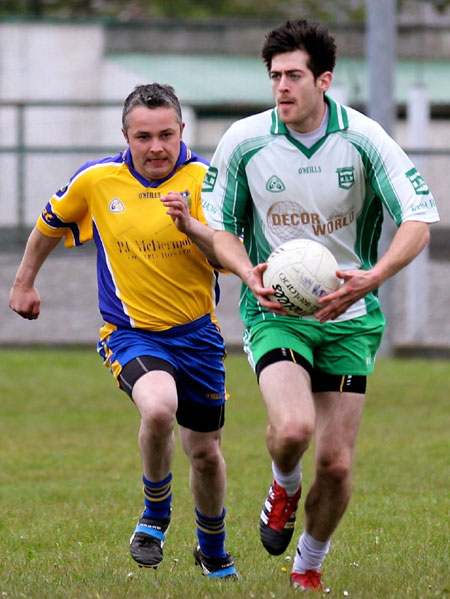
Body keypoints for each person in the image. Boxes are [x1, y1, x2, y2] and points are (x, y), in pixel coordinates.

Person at [201, 19, 439, 591]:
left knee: (335, 465)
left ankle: (307, 564)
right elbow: (219, 228)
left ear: (324, 80)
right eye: (275, 76)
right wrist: (245, 273)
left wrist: (373, 277)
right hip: (276, 310)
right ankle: (283, 484)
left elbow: (419, 220)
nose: (282, 87)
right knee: (292, 430)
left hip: (350, 318)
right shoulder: (245, 140)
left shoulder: (364, 138)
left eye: (294, 76)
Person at [9, 83, 238, 579]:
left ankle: (213, 549)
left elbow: (232, 259)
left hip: (198, 336)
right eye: (144, 136)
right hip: (131, 333)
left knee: (205, 452)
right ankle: (155, 516)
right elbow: (49, 224)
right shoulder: (97, 181)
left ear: (182, 131)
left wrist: (192, 227)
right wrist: (25, 281)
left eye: (166, 135)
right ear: (125, 136)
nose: (156, 147)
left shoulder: (207, 180)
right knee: (158, 408)